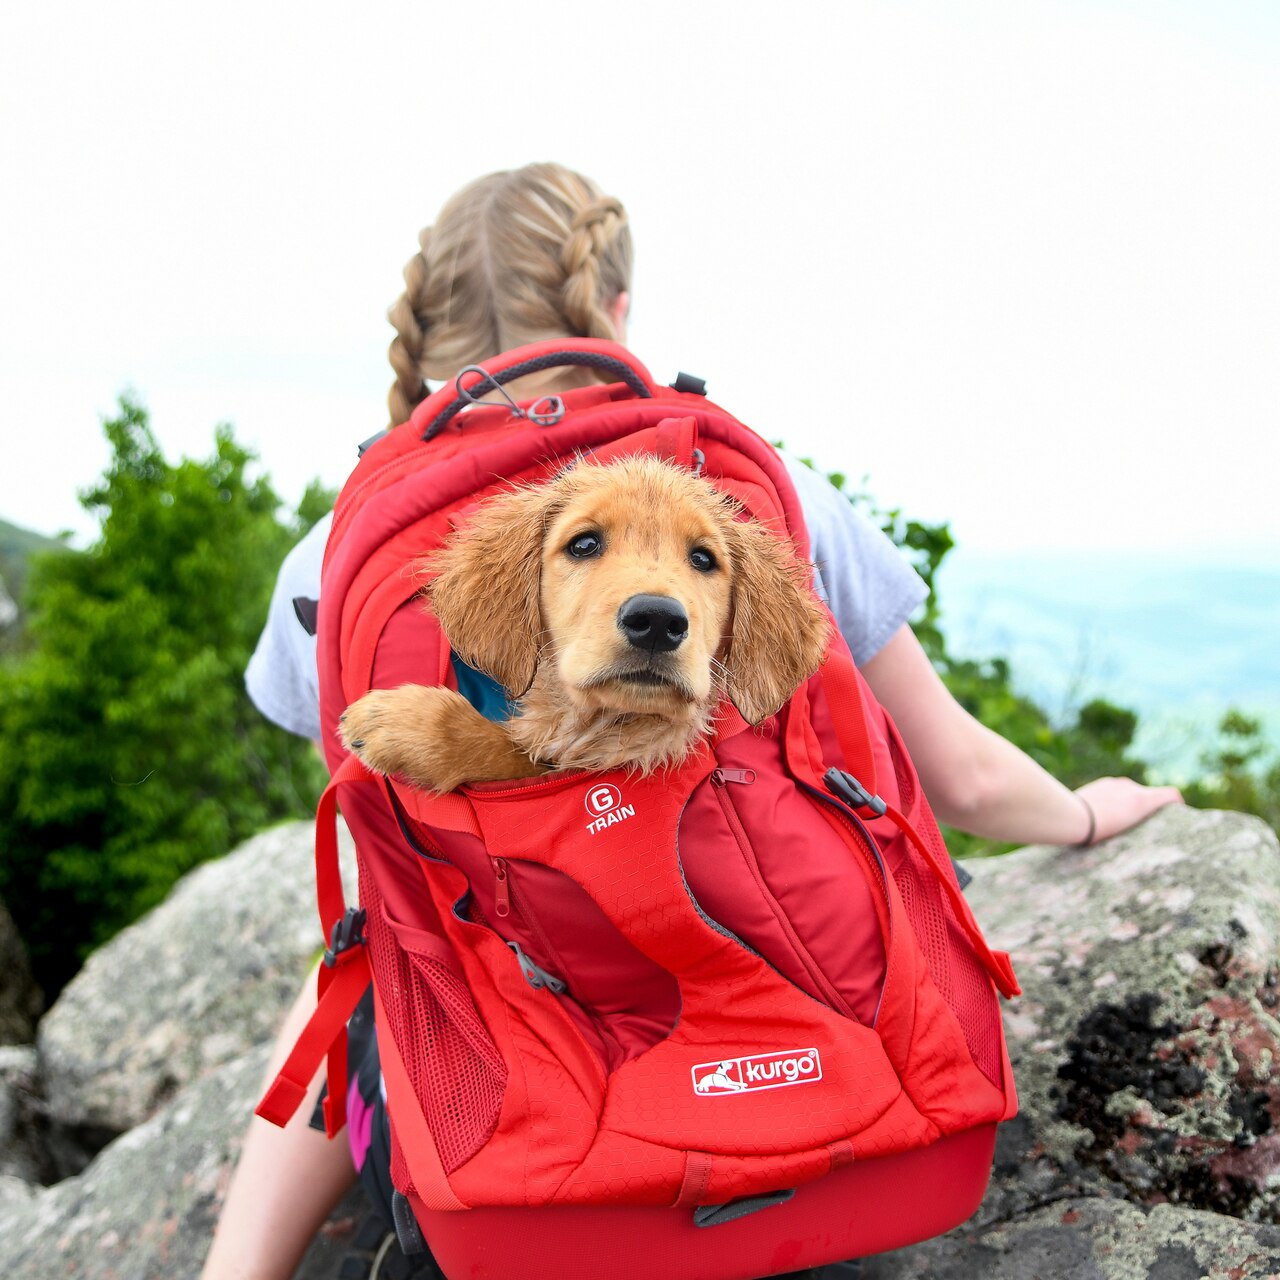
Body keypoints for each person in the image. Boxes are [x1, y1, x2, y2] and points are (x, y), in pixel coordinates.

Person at [203, 162, 1182, 1280]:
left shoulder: (330, 553)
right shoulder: (760, 492)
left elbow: (382, 896)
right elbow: (955, 775)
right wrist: (1085, 815)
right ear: (615, 311)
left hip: (521, 1176)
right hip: (825, 1119)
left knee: (369, 941)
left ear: (422, 341)